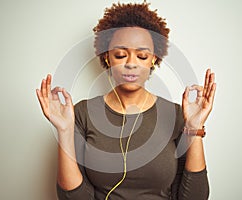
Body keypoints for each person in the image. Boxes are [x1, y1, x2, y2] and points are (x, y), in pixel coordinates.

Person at [36, 2, 216, 200]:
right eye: (121, 55)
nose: (131, 63)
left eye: (141, 55)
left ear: (153, 59)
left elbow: (195, 198)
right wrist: (64, 131)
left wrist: (195, 128)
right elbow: (72, 197)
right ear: (107, 58)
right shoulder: (82, 113)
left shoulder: (176, 115)